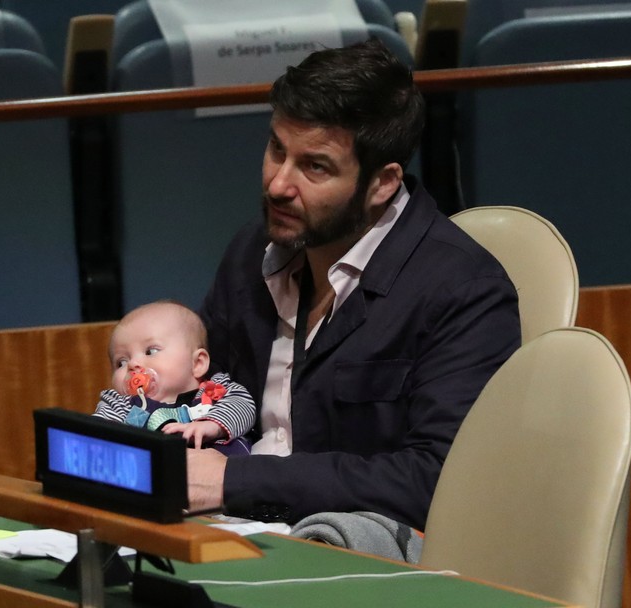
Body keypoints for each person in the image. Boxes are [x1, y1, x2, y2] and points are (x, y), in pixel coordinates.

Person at [187, 38, 521, 531]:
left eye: (314, 166)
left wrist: (239, 480)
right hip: (224, 530)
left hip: (352, 556)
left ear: (382, 184)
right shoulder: (249, 255)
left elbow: (437, 480)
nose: (279, 183)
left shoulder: (464, 291)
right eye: (277, 149)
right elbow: (206, 394)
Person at [93, 300, 255, 454]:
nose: (133, 364)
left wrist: (212, 425)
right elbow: (97, 435)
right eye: (121, 362)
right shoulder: (121, 406)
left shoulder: (215, 391)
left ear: (197, 363)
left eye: (151, 351)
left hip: (225, 476)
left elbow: (245, 407)